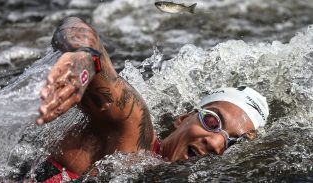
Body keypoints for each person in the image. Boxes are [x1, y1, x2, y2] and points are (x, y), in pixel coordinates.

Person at [34, 16, 269, 182]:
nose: (217, 144)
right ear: (183, 118)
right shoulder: (133, 133)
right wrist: (85, 55)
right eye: (212, 121)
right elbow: (77, 28)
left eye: (232, 144)